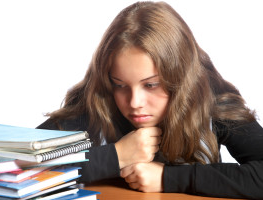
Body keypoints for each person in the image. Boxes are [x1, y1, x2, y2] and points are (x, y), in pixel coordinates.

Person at [37, 1, 263, 199]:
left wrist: (167, 178)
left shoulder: (212, 101)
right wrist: (116, 156)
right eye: (120, 84)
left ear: (181, 79)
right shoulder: (99, 103)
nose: (134, 102)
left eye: (151, 85)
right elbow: (12, 167)